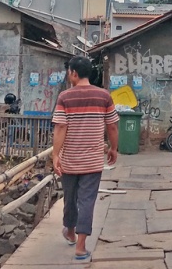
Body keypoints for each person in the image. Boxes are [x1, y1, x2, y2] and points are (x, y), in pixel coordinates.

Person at [52, 55, 118, 261]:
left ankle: (70, 231)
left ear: (73, 73)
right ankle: (80, 246)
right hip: (92, 161)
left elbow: (61, 127)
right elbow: (113, 126)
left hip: (70, 159)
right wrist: (114, 148)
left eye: (68, 71)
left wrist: (55, 154)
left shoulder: (65, 97)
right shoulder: (104, 96)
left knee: (69, 198)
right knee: (87, 201)